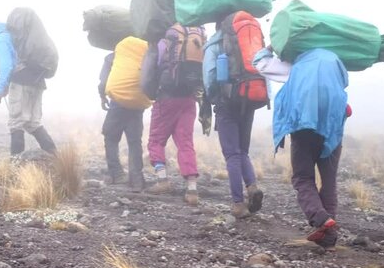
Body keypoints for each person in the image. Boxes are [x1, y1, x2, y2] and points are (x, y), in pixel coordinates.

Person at [255, 47, 349, 250]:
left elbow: (262, 64)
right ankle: (328, 236)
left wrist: (268, 49)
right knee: (329, 179)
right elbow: (345, 83)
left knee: (303, 177)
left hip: (304, 128)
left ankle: (321, 218)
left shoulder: (298, 64)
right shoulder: (335, 59)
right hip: (333, 128)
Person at [203, 19, 264, 218]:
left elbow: (210, 76)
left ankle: (238, 203)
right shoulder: (248, 39)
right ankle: (252, 187)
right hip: (249, 98)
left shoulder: (214, 44)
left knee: (232, 154)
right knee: (242, 151)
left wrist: (212, 98)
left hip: (226, 102)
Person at [141, 25, 208, 206]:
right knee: (185, 143)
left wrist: (152, 94)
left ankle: (162, 180)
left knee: (155, 140)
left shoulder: (166, 39)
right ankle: (192, 189)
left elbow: (149, 72)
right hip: (189, 99)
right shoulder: (198, 36)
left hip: (167, 97)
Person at [0, 20, 57, 156]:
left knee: (16, 123)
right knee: (33, 123)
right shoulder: (17, 36)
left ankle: (15, 165)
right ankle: (58, 160)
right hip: (38, 81)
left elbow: (7, 66)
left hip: (20, 82)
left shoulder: (2, 38)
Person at [98, 52, 145, 192]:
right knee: (135, 141)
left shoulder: (115, 55)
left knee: (111, 137)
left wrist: (102, 96)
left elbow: (104, 79)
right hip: (137, 103)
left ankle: (117, 174)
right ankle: (136, 179)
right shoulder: (142, 54)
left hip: (118, 102)